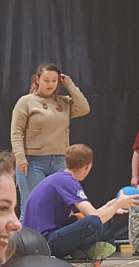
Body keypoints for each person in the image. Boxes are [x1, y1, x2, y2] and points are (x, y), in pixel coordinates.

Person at [22, 144, 139, 260]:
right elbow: (94, 218)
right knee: (93, 222)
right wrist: (118, 204)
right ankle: (85, 251)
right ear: (88, 166)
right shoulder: (67, 181)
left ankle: (85, 251)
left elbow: (89, 215)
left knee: (96, 219)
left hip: (37, 242)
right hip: (45, 244)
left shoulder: (59, 178)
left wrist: (111, 206)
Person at [10, 63, 90, 213]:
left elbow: (84, 108)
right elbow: (16, 132)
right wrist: (20, 158)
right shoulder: (26, 101)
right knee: (33, 207)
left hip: (60, 159)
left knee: (60, 207)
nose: (50, 84)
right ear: (38, 79)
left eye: (54, 80)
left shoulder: (63, 102)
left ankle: (53, 237)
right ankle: (27, 237)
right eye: (47, 80)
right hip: (32, 162)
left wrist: (69, 84)